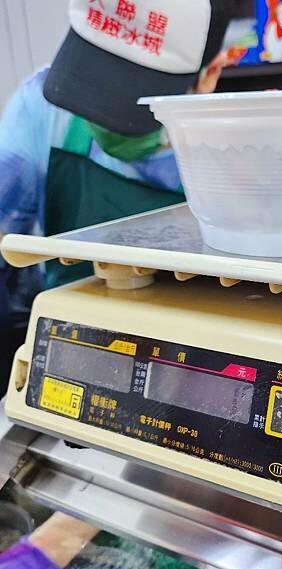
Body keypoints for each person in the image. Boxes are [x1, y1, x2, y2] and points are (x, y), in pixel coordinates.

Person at [0, 0, 233, 393]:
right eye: (91, 88)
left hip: (191, 376)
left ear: (210, 74)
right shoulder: (42, 110)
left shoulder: (234, 158)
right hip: (66, 356)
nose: (106, 119)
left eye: (130, 102)